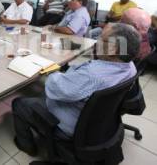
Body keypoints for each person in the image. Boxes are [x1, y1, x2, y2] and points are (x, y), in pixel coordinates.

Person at [12, 23, 140, 156]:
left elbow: (57, 88)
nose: (97, 41)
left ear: (113, 49)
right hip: (101, 122)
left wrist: (51, 70)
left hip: (73, 126)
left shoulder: (92, 75)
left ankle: (26, 145)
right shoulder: (130, 67)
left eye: (102, 38)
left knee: (19, 103)